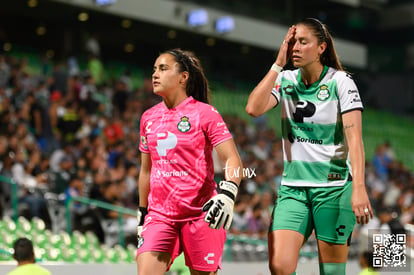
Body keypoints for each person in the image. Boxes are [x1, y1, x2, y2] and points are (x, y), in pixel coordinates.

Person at [245, 18, 373, 275]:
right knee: (280, 266)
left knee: (332, 272)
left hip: (334, 189)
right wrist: (277, 64)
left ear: (321, 48)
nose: (295, 47)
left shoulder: (341, 82)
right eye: (293, 42)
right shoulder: (286, 79)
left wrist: (358, 187)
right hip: (294, 190)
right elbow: (253, 108)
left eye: (303, 42)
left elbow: (355, 140)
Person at [136, 48, 242, 275]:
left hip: (201, 215)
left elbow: (232, 159)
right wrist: (143, 212)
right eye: (154, 69)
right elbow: (146, 171)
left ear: (183, 77)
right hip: (160, 216)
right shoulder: (148, 117)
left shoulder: (206, 113)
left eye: (163, 69)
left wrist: (228, 193)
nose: (155, 74)